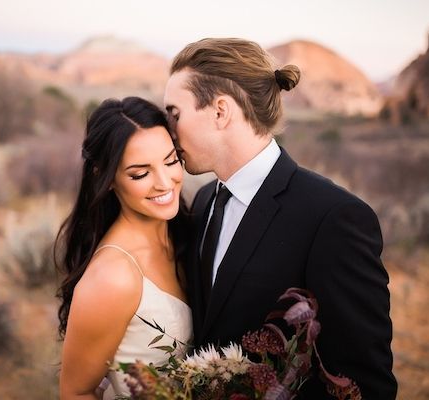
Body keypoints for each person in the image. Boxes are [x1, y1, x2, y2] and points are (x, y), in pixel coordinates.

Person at [163, 38, 397, 399]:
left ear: (220, 111)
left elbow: (364, 383)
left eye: (175, 113)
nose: (169, 130)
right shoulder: (204, 200)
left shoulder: (333, 218)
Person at [55, 97, 192, 399]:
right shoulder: (113, 278)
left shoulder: (186, 229)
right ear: (107, 178)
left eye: (171, 161)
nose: (165, 182)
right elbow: (75, 393)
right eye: (140, 173)